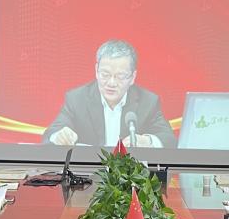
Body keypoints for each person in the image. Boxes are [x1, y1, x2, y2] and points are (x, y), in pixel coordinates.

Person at [42, 40, 176, 148]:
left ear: (132, 77)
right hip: (89, 172)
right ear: (96, 71)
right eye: (105, 74)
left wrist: (147, 141)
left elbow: (169, 140)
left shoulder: (147, 102)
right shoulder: (77, 99)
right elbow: (51, 133)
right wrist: (59, 136)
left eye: (120, 76)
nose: (111, 83)